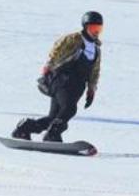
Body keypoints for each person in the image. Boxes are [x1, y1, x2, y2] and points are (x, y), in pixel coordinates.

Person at [12, 11, 103, 142]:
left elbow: (95, 71)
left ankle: (25, 128)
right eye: (93, 28)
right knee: (69, 109)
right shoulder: (74, 39)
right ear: (85, 27)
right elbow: (56, 50)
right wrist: (48, 67)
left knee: (53, 117)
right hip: (63, 80)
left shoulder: (96, 49)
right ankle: (52, 134)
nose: (96, 32)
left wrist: (91, 89)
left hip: (76, 86)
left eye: (99, 28)